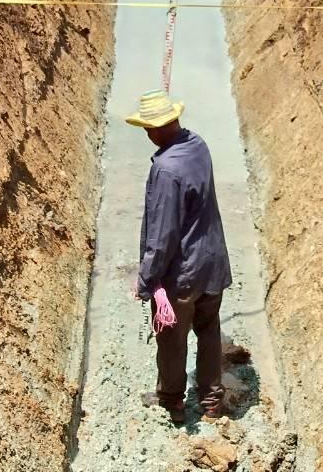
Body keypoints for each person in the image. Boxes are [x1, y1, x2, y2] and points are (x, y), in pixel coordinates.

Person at [127, 89, 232, 425]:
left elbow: (162, 235)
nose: (145, 134)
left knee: (172, 340)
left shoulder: (166, 170)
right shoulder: (198, 144)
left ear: (157, 129)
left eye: (147, 128)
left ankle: (172, 401)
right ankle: (212, 400)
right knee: (209, 329)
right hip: (212, 262)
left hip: (183, 274)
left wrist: (146, 280)